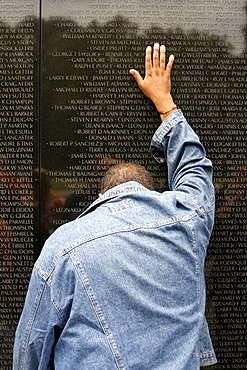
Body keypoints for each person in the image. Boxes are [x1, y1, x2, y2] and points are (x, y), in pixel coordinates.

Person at [13, 43, 217, 369]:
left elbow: (31, 348)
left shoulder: (63, 246)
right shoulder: (186, 221)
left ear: (102, 195)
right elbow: (195, 169)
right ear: (150, 191)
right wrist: (164, 102)